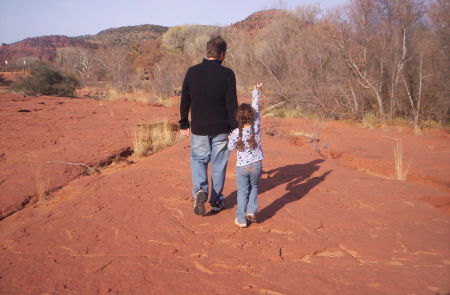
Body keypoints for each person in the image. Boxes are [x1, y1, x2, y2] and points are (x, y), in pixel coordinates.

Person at [179, 35, 238, 216]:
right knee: (219, 165)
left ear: (207, 52)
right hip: (221, 130)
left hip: (199, 129)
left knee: (198, 161)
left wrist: (183, 123)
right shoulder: (227, 74)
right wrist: (235, 128)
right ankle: (216, 200)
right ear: (222, 54)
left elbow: (185, 100)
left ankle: (199, 191)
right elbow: (231, 104)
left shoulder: (192, 72)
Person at [228, 83, 264, 228]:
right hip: (256, 163)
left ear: (238, 118)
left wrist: (231, 139)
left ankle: (241, 219)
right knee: (254, 187)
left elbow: (230, 147)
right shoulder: (256, 125)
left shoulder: (237, 132)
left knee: (242, 192)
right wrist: (255, 91)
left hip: (242, 166)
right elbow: (256, 107)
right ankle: (251, 210)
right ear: (251, 116)